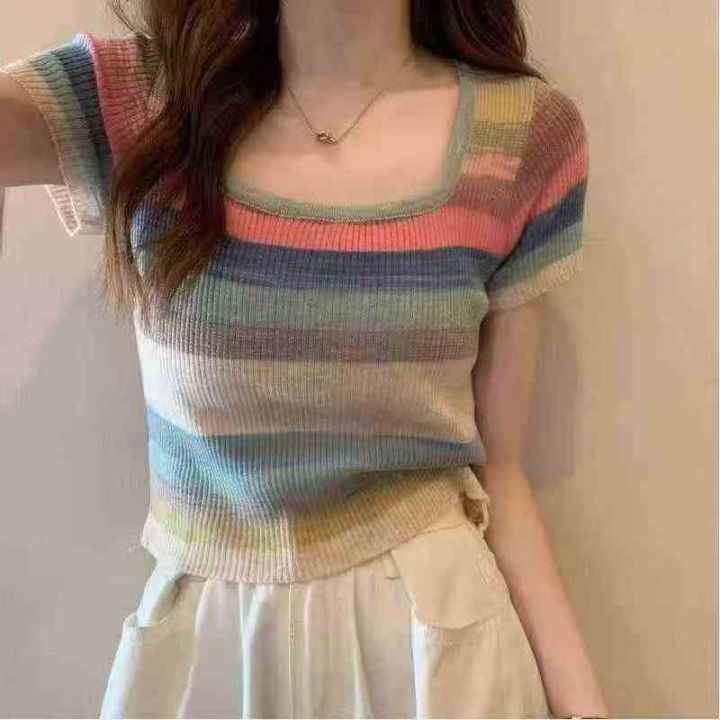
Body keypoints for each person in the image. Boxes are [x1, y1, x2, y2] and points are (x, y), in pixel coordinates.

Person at [0, 0, 610, 718]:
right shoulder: (145, 103)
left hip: (435, 655)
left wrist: (585, 709)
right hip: (204, 660)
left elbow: (501, 475)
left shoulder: (521, 136)